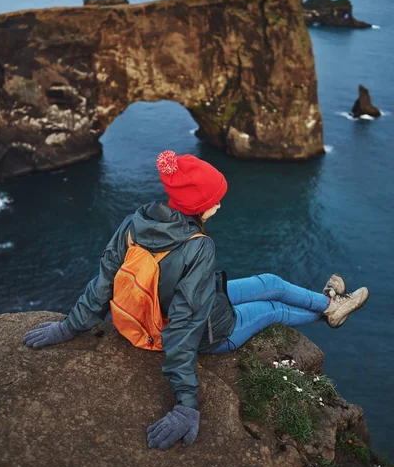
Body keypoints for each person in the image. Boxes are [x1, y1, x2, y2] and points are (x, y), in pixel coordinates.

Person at [22, 150, 369, 451]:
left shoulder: (135, 221)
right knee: (274, 309)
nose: (220, 204)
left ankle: (329, 304)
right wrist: (186, 404)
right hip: (211, 332)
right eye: (215, 200)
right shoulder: (198, 246)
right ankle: (331, 313)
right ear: (200, 206)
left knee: (272, 282)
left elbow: (102, 284)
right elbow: (185, 327)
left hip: (187, 306)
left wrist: (69, 327)